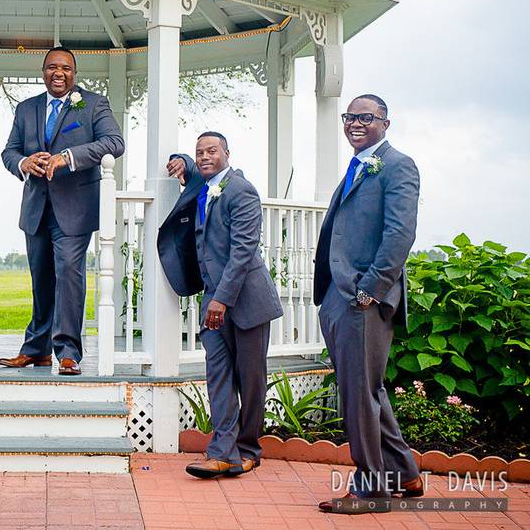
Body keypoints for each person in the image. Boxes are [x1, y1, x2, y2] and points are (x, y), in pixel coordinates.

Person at [314, 94, 424, 514]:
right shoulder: (359, 164)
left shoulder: (398, 165)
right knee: (367, 390)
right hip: (338, 295)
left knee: (359, 395)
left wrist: (371, 288)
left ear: (385, 123)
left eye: (366, 117)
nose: (355, 123)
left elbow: (400, 234)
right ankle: (405, 473)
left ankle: (372, 490)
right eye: (350, 117)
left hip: (363, 298)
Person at [158, 131, 283, 478]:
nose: (204, 156)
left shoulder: (241, 191)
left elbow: (243, 250)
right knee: (218, 378)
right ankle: (221, 453)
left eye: (211, 150)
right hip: (212, 302)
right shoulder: (204, 185)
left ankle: (249, 449)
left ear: (228, 153)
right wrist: (181, 158)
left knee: (251, 380)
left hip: (246, 303)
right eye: (199, 152)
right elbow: (189, 166)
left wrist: (221, 300)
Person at [0, 47, 125, 375]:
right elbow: (9, 151)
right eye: (52, 67)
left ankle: (68, 351)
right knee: (40, 279)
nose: (58, 73)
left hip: (76, 208)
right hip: (36, 208)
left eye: (65, 68)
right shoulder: (26, 109)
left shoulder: (93, 104)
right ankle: (36, 350)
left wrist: (68, 156)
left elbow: (114, 142)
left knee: (69, 273)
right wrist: (24, 163)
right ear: (43, 72)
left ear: (74, 73)